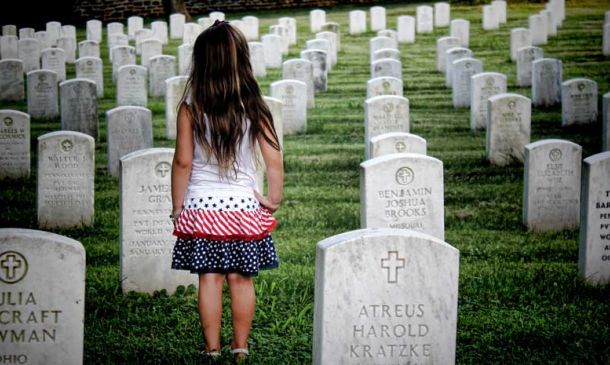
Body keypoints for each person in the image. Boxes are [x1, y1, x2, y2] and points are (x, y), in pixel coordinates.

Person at [169, 20, 283, 363]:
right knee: (241, 278)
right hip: (244, 208)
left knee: (210, 278)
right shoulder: (254, 106)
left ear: (201, 63)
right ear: (242, 61)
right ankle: (241, 347)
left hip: (203, 208)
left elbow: (183, 163)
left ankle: (212, 349)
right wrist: (273, 198)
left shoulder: (191, 107)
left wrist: (178, 206)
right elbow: (273, 158)